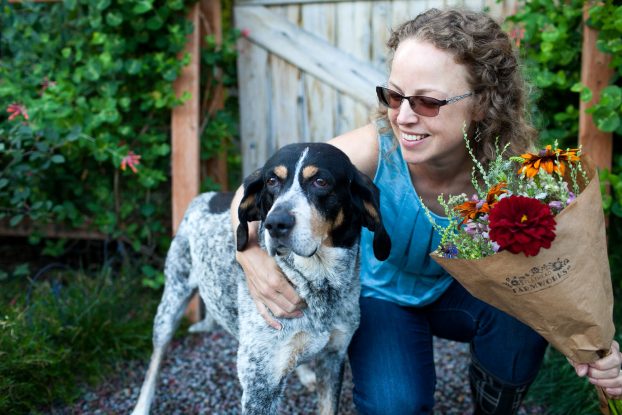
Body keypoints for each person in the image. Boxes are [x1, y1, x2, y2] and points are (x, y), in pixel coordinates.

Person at [230, 8, 622, 414]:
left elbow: (550, 276)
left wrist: (595, 347)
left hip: (466, 294)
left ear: (484, 104)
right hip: (382, 295)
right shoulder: (375, 148)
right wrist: (249, 254)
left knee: (520, 323)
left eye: (428, 102)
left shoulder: (514, 171)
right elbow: (255, 186)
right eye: (394, 96)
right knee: (394, 404)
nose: (402, 116)